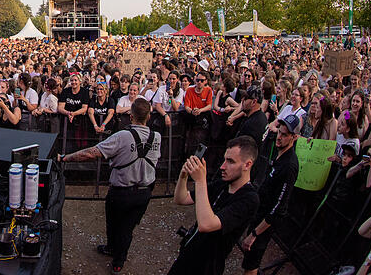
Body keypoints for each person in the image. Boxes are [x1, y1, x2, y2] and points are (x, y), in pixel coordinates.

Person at [57, 98, 160, 274]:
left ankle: (118, 261)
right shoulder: (156, 137)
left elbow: (92, 153)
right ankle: (113, 249)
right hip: (144, 192)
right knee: (125, 226)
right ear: (149, 116)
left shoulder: (123, 136)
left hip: (122, 191)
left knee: (119, 226)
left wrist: (65, 157)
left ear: (131, 115)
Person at [168, 136, 260, 275]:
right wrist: (183, 175)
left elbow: (207, 225)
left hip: (206, 267)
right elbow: (181, 199)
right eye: (224, 159)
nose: (222, 166)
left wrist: (200, 181)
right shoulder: (222, 184)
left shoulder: (249, 199)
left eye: (230, 161)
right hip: (188, 255)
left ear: (247, 165)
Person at [240, 115, 300, 275]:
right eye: (279, 132)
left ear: (293, 137)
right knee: (249, 260)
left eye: (284, 135)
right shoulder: (279, 153)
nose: (279, 137)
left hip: (265, 222)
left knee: (251, 265)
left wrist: (255, 234)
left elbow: (279, 206)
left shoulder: (289, 166)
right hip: (259, 213)